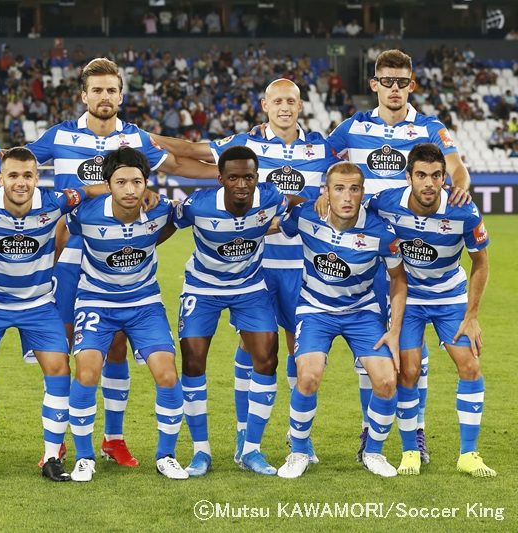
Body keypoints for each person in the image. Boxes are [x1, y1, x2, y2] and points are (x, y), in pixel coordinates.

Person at [26, 57, 216, 467]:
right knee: (61, 353)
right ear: (83, 95)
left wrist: (237, 171)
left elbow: (182, 165)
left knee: (114, 348)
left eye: (112, 89)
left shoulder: (135, 141)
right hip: (68, 256)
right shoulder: (58, 136)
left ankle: (113, 438)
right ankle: (56, 442)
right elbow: (10, 163)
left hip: (115, 260)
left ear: (121, 94)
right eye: (97, 90)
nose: (104, 96)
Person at [152, 79, 337, 464]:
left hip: (300, 261)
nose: (285, 107)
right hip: (256, 262)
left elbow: (333, 188)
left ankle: (296, 437)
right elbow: (190, 153)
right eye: (277, 101)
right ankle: (243, 437)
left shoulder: (322, 146)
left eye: (291, 100)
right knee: (251, 347)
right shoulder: (246, 144)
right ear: (264, 105)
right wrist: (142, 138)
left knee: (296, 349)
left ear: (301, 105)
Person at [326, 49, 472, 462]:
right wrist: (325, 192)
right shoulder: (353, 127)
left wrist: (458, 187)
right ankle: (368, 430)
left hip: (412, 254)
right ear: (374, 84)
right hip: (365, 254)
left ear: (412, 85)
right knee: (371, 348)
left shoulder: (429, 128)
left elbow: (456, 168)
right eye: (386, 81)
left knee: (414, 355)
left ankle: (416, 432)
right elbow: (320, 161)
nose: (394, 89)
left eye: (401, 82)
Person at [0, 147, 114, 483]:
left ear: (37, 178)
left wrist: (131, 190)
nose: (20, 182)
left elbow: (85, 191)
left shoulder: (55, 201)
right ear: (0, 178)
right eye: (12, 175)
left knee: (59, 369)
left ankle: (51, 457)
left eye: (28, 175)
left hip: (39, 305)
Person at [173, 146, 303, 477]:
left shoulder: (271, 197)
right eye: (233, 177)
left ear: (257, 177)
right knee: (192, 361)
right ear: (221, 179)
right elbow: (168, 221)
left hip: (248, 286)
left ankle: (251, 450)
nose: (242, 184)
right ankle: (201, 452)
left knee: (267, 357)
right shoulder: (200, 204)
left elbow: (295, 205)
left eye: (248, 177)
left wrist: (303, 213)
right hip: (202, 288)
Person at [367, 143, 495, 477]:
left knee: (470, 366)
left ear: (444, 178)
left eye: (436, 175)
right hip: (408, 299)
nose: (428, 183)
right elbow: (350, 212)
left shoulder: (462, 211)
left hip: (450, 298)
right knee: (407, 372)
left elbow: (481, 263)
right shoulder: (385, 203)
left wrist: (472, 315)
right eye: (421, 175)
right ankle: (410, 451)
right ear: (408, 176)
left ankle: (468, 454)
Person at [277, 162, 407, 479]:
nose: (347, 196)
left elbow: (398, 280)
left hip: (362, 312)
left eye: (354, 189)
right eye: (339, 188)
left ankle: (373, 452)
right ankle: (298, 451)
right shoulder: (306, 216)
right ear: (326, 191)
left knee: (388, 381)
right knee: (308, 376)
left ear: (362, 193)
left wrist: (394, 331)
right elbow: (273, 217)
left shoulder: (381, 232)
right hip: (315, 309)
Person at [66, 146, 187, 482]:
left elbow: (172, 225)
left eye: (137, 181)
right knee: (87, 373)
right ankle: (84, 457)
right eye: (121, 182)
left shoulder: (160, 209)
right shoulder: (87, 213)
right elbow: (63, 228)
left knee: (166, 374)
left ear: (147, 183)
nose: (130, 190)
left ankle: (166, 455)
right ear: (108, 184)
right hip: (95, 301)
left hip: (144, 303)